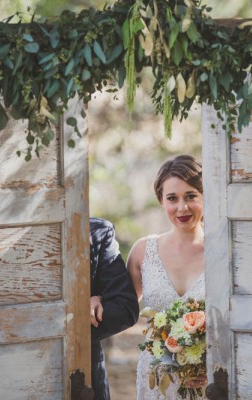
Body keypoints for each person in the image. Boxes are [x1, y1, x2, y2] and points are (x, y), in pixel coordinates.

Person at [127, 155, 207, 400]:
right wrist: (94, 298)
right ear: (161, 200)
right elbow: (121, 308)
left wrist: (211, 363)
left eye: (191, 196)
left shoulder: (223, 252)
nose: (182, 207)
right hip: (157, 379)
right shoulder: (143, 251)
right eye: (172, 198)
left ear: (205, 196)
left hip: (209, 379)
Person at [89, 217, 140, 400]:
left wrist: (98, 300)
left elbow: (125, 306)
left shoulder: (98, 231)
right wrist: (78, 305)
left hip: (83, 374)